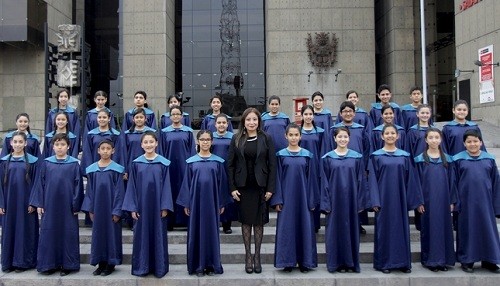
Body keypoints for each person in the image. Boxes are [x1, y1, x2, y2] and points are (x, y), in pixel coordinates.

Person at [368, 124, 424, 274]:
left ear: (398, 136)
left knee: (401, 230)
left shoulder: (404, 156)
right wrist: (374, 200)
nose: (390, 136)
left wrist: (415, 201)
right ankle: (384, 263)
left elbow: (410, 179)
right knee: (384, 231)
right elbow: (372, 180)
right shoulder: (376, 156)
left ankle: (403, 262)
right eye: (387, 133)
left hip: (400, 199)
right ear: (382, 136)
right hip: (383, 199)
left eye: (393, 133)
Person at [228, 107, 276, 274]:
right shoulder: (236, 139)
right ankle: (248, 256)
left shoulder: (266, 138)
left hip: (260, 187)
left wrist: (270, 188)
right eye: (248, 120)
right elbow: (230, 166)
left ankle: (257, 256)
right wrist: (232, 188)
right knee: (246, 223)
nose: (251, 122)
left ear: (259, 122)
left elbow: (272, 165)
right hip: (242, 188)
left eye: (254, 119)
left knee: (259, 223)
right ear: (243, 122)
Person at [29, 133, 84, 276]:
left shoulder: (73, 164)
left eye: (63, 145)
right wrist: (40, 203)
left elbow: (78, 186)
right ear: (53, 147)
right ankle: (49, 264)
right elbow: (40, 184)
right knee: (49, 233)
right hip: (50, 205)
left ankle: (68, 265)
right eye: (57, 145)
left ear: (68, 146)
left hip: (67, 206)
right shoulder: (46, 163)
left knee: (68, 233)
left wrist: (76, 205)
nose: (60, 147)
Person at [177, 130, 230, 276]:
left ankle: (212, 264)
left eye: (208, 139)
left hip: (212, 204)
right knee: (196, 232)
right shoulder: (191, 162)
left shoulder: (218, 162)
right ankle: (198, 266)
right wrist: (187, 203)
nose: (205, 142)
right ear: (198, 142)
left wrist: (221, 203)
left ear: (212, 141)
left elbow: (222, 185)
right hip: (196, 204)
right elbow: (186, 184)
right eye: (202, 139)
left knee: (212, 233)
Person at [122, 131, 173, 278]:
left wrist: (165, 206)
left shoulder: (163, 163)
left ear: (156, 143)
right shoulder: (136, 163)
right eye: (146, 142)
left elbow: (167, 187)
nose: (149, 145)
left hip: (158, 207)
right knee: (141, 235)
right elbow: (131, 186)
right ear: (141, 145)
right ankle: (142, 266)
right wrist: (132, 207)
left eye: (152, 142)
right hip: (141, 207)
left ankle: (159, 267)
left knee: (158, 235)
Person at [270, 123, 318, 273]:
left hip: (303, 198)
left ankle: (305, 262)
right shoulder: (280, 155)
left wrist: (312, 200)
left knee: (304, 228)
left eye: (296, 135)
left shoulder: (307, 155)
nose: (293, 137)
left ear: (300, 136)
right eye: (290, 135)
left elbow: (312, 179)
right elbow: (276, 179)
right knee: (287, 229)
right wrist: (277, 199)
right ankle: (287, 261)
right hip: (286, 199)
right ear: (286, 136)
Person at [320, 127, 368, 273]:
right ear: (334, 139)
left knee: (351, 231)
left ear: (349, 138)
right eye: (339, 137)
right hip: (334, 201)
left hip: (351, 201)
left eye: (345, 137)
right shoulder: (327, 158)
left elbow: (361, 180)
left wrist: (361, 202)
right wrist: (326, 202)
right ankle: (336, 263)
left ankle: (351, 263)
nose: (342, 139)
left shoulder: (357, 157)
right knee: (335, 232)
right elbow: (324, 182)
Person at [452, 129, 500, 273]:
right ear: (464, 143)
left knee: (487, 231)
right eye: (469, 142)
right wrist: (456, 202)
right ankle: (468, 260)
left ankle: (489, 260)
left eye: (475, 141)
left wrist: (497, 206)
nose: (472, 144)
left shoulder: (489, 159)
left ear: (481, 142)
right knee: (468, 230)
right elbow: (453, 183)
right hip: (466, 203)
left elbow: (496, 183)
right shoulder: (458, 159)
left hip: (486, 203)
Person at [414, 128, 456, 272]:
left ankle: (443, 260)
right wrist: (418, 201)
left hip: (444, 201)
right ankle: (430, 260)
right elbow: (416, 183)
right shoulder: (420, 160)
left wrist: (452, 200)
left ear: (441, 139)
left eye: (436, 137)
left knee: (444, 229)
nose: (434, 140)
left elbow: (452, 182)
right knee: (429, 230)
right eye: (430, 137)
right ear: (426, 140)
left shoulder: (448, 160)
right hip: (427, 202)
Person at [81, 139, 125, 276]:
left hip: (111, 208)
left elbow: (119, 192)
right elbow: (89, 191)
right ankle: (100, 263)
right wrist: (90, 209)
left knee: (111, 235)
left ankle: (110, 264)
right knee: (99, 235)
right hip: (98, 208)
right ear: (98, 150)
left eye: (108, 148)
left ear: (113, 151)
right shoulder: (92, 169)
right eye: (103, 148)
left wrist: (117, 210)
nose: (105, 151)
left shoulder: (117, 169)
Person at [0, 132, 39, 272]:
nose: (17, 144)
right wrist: (1, 203)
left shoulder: (33, 162)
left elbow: (37, 183)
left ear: (25, 143)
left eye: (20, 142)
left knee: (25, 232)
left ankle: (23, 262)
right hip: (9, 203)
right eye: (15, 142)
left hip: (26, 204)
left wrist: (33, 202)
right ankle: (8, 262)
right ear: (10, 143)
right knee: (9, 231)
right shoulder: (4, 161)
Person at [330, 101, 371, 234]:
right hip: (339, 167)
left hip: (356, 167)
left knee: (356, 195)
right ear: (340, 114)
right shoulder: (335, 130)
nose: (348, 114)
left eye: (350, 111)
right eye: (345, 111)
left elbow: (366, 148)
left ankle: (357, 223)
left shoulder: (360, 128)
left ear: (354, 113)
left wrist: (364, 167)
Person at [159, 105, 196, 230]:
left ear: (182, 116)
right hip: (169, 168)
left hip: (184, 167)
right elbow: (161, 151)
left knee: (184, 191)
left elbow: (192, 151)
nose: (175, 116)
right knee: (170, 191)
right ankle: (170, 221)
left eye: (178, 114)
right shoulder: (164, 132)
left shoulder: (188, 132)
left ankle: (185, 221)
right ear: (170, 117)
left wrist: (192, 166)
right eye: (173, 114)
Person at [299, 105, 329, 233]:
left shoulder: (320, 132)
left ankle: (315, 224)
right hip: (300, 167)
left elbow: (324, 150)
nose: (308, 117)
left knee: (314, 194)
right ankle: (303, 222)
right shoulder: (297, 132)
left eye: (310, 114)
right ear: (302, 116)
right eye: (305, 114)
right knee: (303, 193)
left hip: (316, 167)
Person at [212, 113, 237, 234]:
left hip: (228, 170)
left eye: (224, 123)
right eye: (219, 123)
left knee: (227, 195)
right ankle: (214, 221)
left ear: (228, 124)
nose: (221, 125)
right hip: (213, 170)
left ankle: (227, 224)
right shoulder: (210, 137)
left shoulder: (233, 137)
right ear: (215, 124)